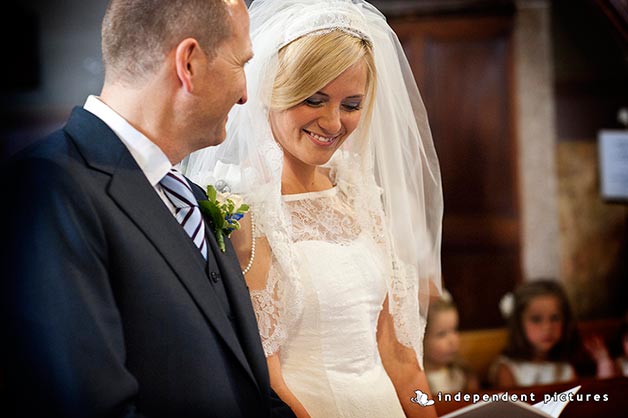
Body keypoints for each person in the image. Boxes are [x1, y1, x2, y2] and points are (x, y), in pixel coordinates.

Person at [0, 1, 295, 417]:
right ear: (189, 63)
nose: (246, 93)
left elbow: (247, 382)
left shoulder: (186, 192)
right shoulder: (46, 190)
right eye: (240, 63)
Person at [183, 0, 444, 417]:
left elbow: (400, 357)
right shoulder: (240, 207)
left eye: (351, 105)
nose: (333, 123)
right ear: (271, 90)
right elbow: (269, 380)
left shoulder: (359, 193)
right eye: (314, 99)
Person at [489, 279, 610, 389]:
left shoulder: (565, 369)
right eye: (536, 319)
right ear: (518, 323)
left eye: (555, 318)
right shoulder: (508, 369)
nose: (547, 327)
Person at [424, 291, 479, 394]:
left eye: (455, 330)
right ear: (422, 339)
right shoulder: (420, 382)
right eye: (442, 334)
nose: (452, 341)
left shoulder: (464, 375)